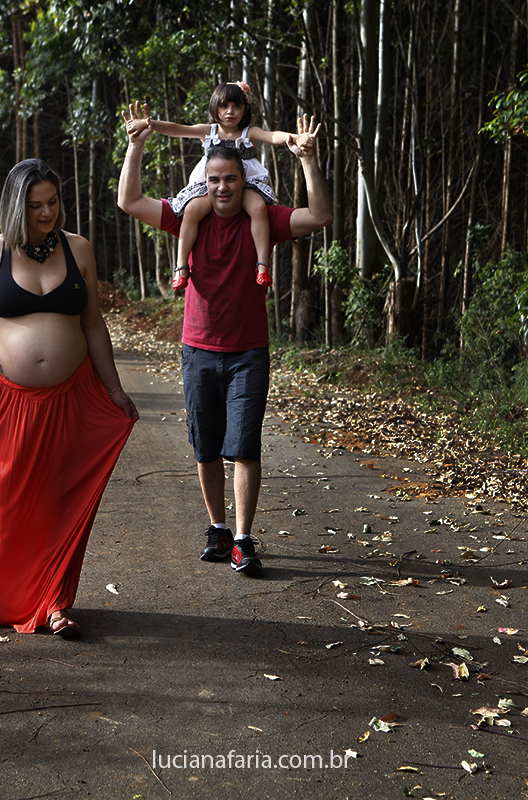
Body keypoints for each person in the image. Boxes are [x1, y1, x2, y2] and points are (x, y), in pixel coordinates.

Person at [118, 102, 331, 575]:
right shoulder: (188, 217)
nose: (221, 188)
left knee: (245, 445)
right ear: (204, 181)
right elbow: (129, 202)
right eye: (213, 180)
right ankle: (217, 528)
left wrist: (308, 161)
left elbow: (319, 216)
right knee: (207, 445)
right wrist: (135, 147)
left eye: (230, 180)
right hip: (197, 350)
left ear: (244, 180)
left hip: (248, 353)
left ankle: (242, 536)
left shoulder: (266, 220)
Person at [0, 158, 138, 636]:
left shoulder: (77, 248)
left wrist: (115, 389)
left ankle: (54, 603)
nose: (46, 213)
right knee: (5, 505)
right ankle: (4, 598)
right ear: (15, 206)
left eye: (53, 202)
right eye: (35, 205)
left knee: (58, 500)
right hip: (4, 401)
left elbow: (93, 324)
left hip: (69, 398)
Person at [125, 81, 305, 290]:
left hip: (244, 183)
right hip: (211, 184)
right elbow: (177, 128)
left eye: (237, 106)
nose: (230, 112)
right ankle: (181, 267)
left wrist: (295, 138)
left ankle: (262, 266)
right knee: (192, 210)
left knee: (258, 208)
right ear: (215, 107)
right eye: (224, 106)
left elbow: (273, 136)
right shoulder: (208, 131)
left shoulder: (249, 133)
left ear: (245, 109)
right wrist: (150, 124)